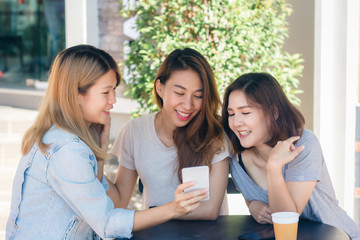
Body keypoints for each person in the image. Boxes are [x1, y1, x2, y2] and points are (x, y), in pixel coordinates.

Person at [6, 45, 207, 240]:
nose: (113, 100)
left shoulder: (63, 138)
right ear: (76, 95)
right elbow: (107, 223)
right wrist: (173, 209)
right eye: (106, 92)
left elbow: (98, 200)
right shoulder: (66, 150)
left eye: (114, 90)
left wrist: (99, 151)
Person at [221, 72, 360, 239]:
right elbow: (255, 198)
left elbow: (286, 218)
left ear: (274, 112)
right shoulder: (238, 161)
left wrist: (273, 167)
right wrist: (252, 205)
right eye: (231, 114)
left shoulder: (303, 145)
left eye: (245, 113)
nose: (236, 122)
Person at [110, 48, 231, 220]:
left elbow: (210, 211)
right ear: (160, 88)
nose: (188, 105)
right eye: (179, 93)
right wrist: (96, 159)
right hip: (157, 234)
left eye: (198, 96)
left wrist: (156, 213)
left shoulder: (214, 132)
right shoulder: (135, 131)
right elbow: (119, 201)